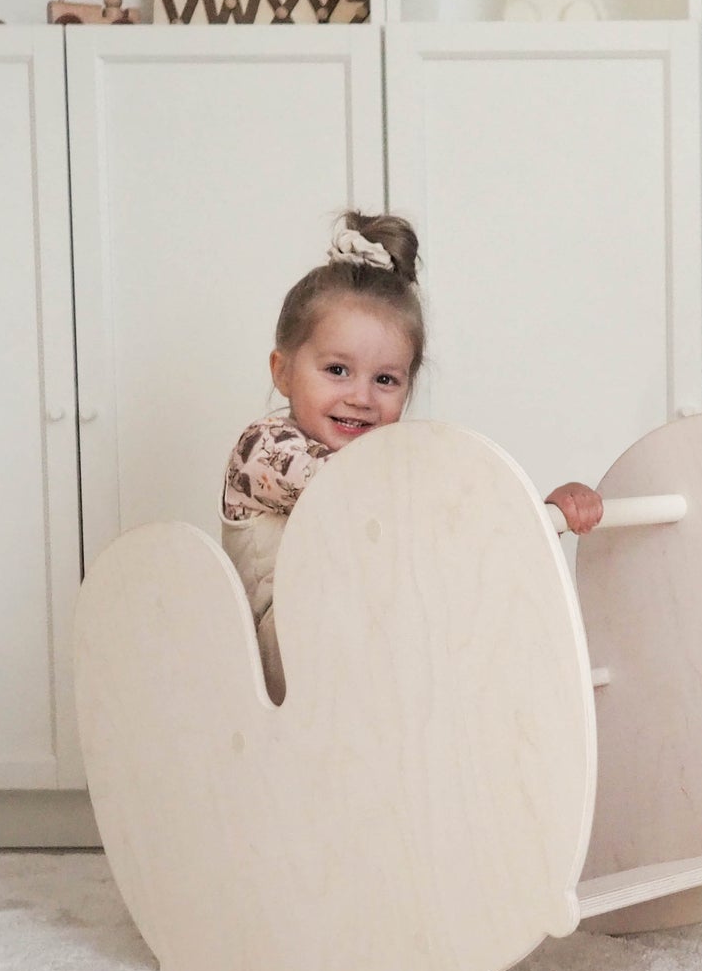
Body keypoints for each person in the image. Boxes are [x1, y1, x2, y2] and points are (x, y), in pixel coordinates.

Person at [221, 212, 601, 697]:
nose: (361, 397)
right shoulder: (264, 448)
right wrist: (487, 506)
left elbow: (439, 511)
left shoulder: (395, 466)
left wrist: (542, 513)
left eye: (385, 380)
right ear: (283, 372)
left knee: (463, 574)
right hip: (286, 669)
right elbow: (363, 492)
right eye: (337, 370)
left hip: (367, 666)